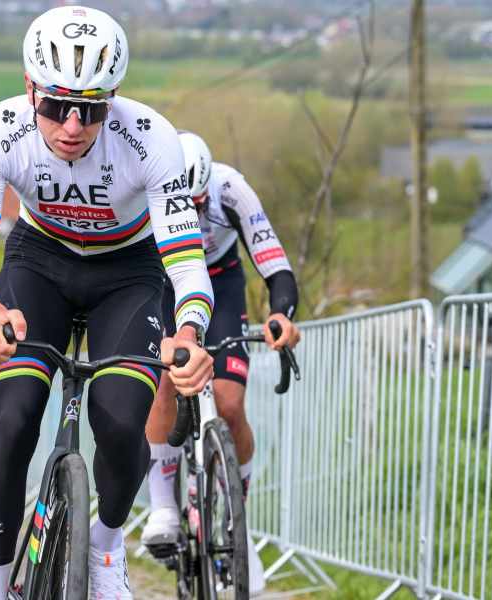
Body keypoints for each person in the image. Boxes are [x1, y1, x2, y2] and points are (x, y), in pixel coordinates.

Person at [0, 6, 215, 599]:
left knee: (124, 421)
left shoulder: (151, 138)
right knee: (14, 418)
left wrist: (189, 330)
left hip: (128, 272)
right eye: (54, 106)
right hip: (37, 261)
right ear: (29, 89)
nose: (72, 125)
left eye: (92, 108)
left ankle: (103, 544)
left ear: (114, 98)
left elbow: (184, 257)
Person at [141, 131, 302, 592]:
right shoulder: (146, 190)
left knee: (230, 406)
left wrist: (281, 315)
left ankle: (238, 524)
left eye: (200, 201)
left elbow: (275, 264)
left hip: (222, 280)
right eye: (184, 205)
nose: (193, 211)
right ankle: (164, 508)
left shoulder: (232, 189)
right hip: (165, 280)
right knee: (165, 383)